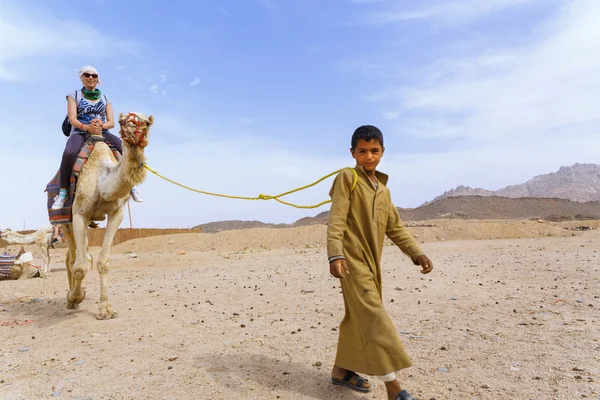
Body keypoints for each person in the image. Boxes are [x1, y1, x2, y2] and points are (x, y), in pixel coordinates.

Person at [327, 125, 434, 400]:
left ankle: (341, 371)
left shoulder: (383, 191)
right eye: (362, 151)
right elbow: (336, 218)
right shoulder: (347, 178)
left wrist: (416, 252)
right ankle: (394, 387)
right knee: (374, 316)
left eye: (374, 151)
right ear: (352, 153)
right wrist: (335, 254)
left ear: (383, 152)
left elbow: (395, 228)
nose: (369, 157)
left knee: (357, 316)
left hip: (373, 264)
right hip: (351, 262)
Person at [51, 65, 143, 210]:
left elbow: (111, 122)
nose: (91, 78)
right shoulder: (73, 95)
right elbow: (72, 118)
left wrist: (101, 125)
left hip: (102, 131)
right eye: (87, 75)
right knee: (69, 152)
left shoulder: (106, 99)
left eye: (94, 76)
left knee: (125, 149)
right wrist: (87, 127)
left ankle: (132, 187)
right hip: (81, 131)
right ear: (82, 78)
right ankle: (62, 193)